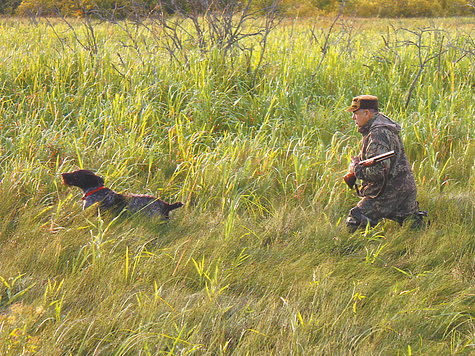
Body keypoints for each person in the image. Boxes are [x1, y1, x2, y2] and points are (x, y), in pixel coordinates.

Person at [344, 95, 427, 232]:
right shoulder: (381, 127)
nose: (353, 118)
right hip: (404, 186)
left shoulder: (378, 133)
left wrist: (356, 170)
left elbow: (378, 171)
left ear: (367, 113)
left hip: (389, 190)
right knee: (413, 226)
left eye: (356, 113)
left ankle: (355, 250)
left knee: (356, 219)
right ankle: (426, 238)